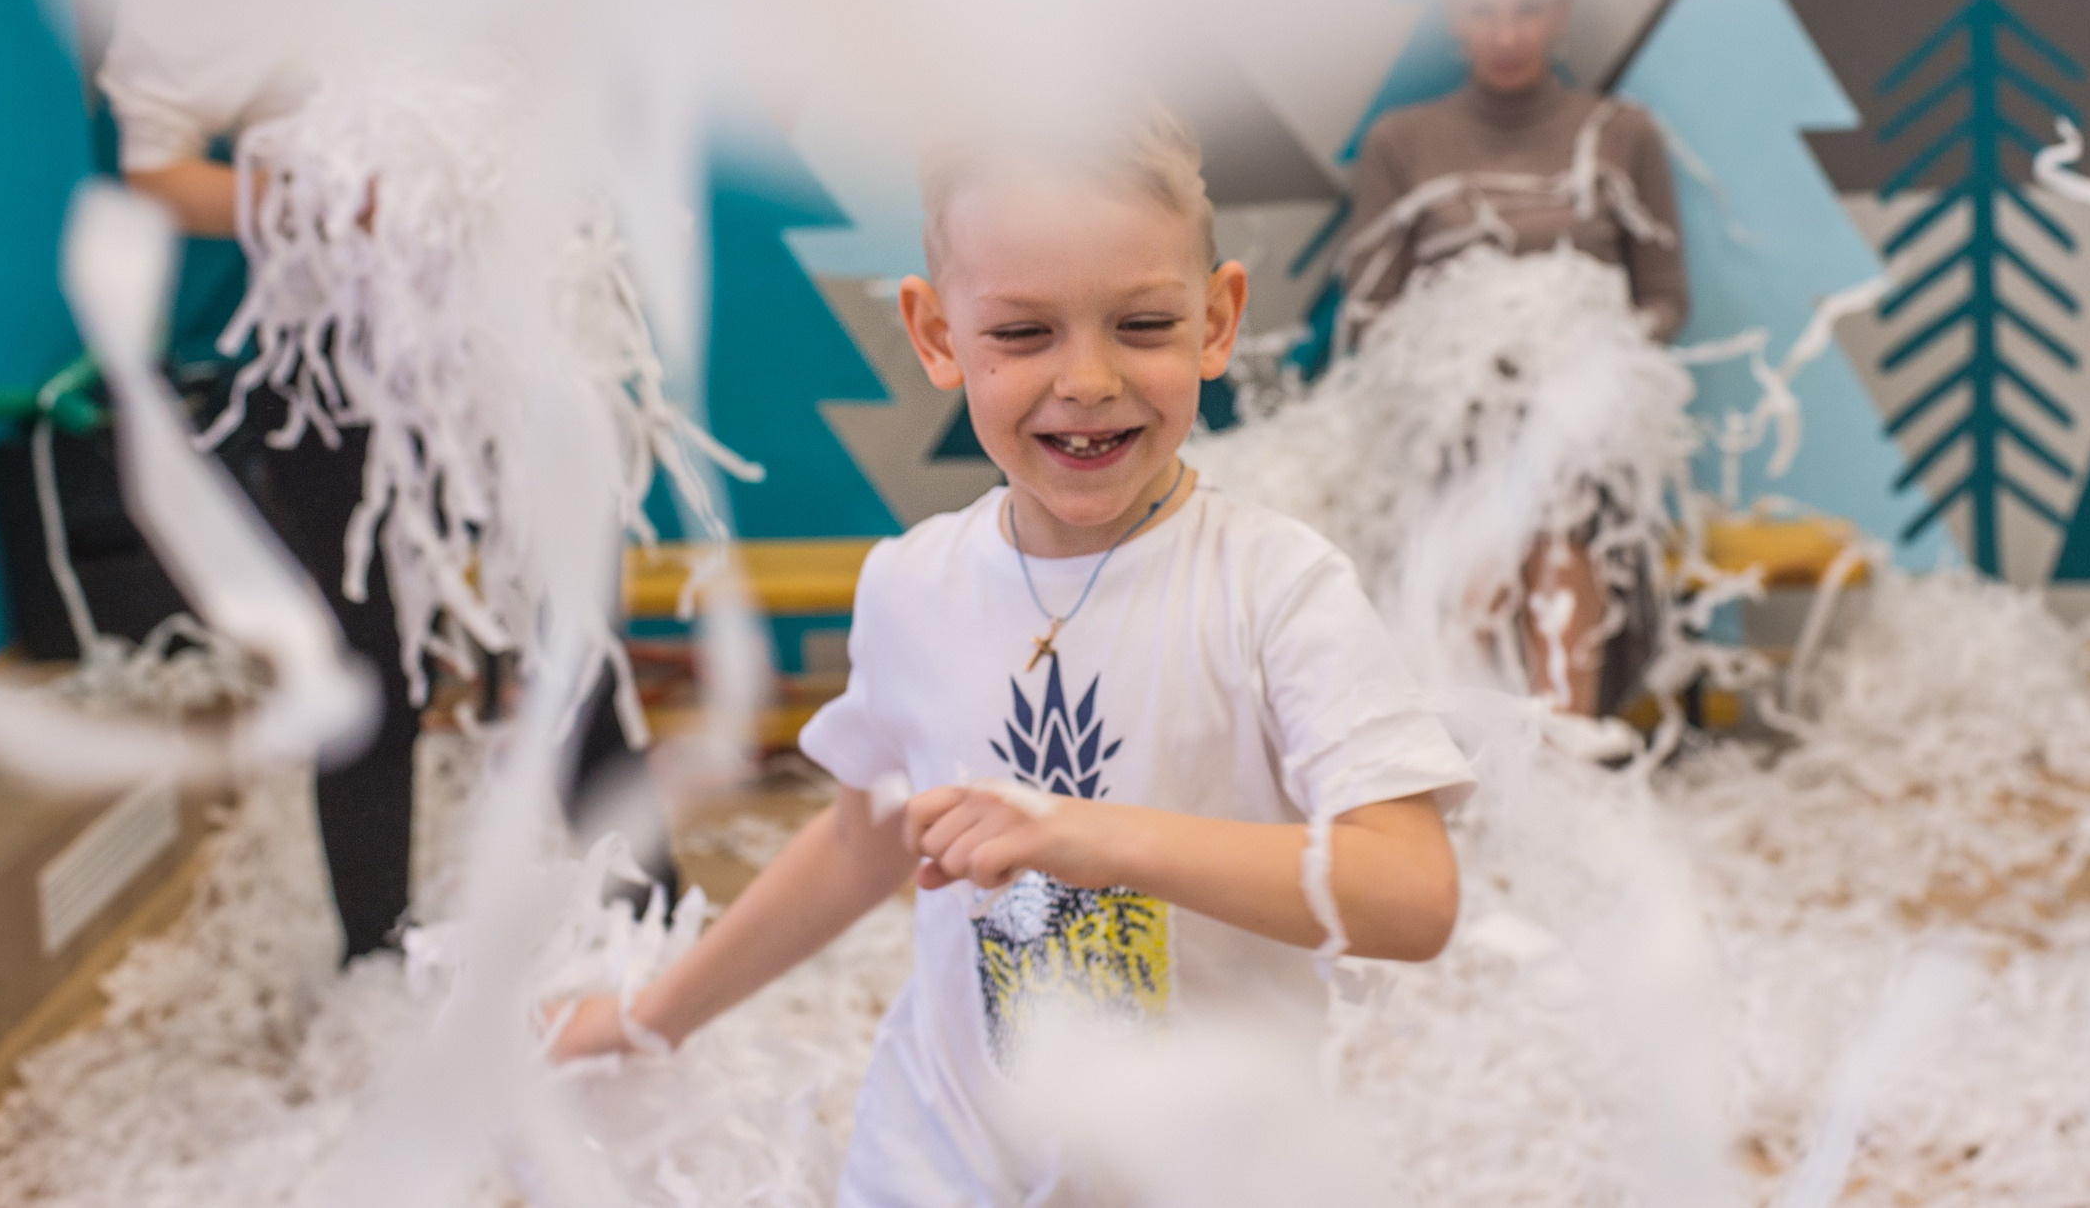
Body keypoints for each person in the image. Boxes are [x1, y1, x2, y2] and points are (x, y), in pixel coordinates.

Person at [549, 103, 1472, 1203]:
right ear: (937, 334)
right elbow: (856, 845)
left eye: (1139, 324)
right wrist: (650, 1016)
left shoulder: (1275, 586)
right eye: (1022, 333)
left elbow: (1411, 892)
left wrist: (1108, 837)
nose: (1085, 379)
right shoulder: (910, 584)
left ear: (1218, 317)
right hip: (940, 1152)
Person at [102, 0, 644, 960]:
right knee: (368, 663)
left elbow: (469, 60)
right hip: (332, 347)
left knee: (568, 611)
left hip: (483, 317)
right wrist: (304, 199)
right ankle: (374, 957)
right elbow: (153, 160)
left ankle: (656, 916)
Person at [1341, 0, 1689, 718]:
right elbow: (1370, 316)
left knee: (1561, 454)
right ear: (1454, 16)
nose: (1505, 34)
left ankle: (1559, 744)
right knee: (1498, 457)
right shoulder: (1403, 142)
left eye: (1527, 10)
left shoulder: (1620, 135)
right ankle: (1467, 735)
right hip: (1448, 422)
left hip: (1591, 418)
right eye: (1483, 11)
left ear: (1561, 12)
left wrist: (1593, 358)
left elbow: (1665, 298)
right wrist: (1467, 370)